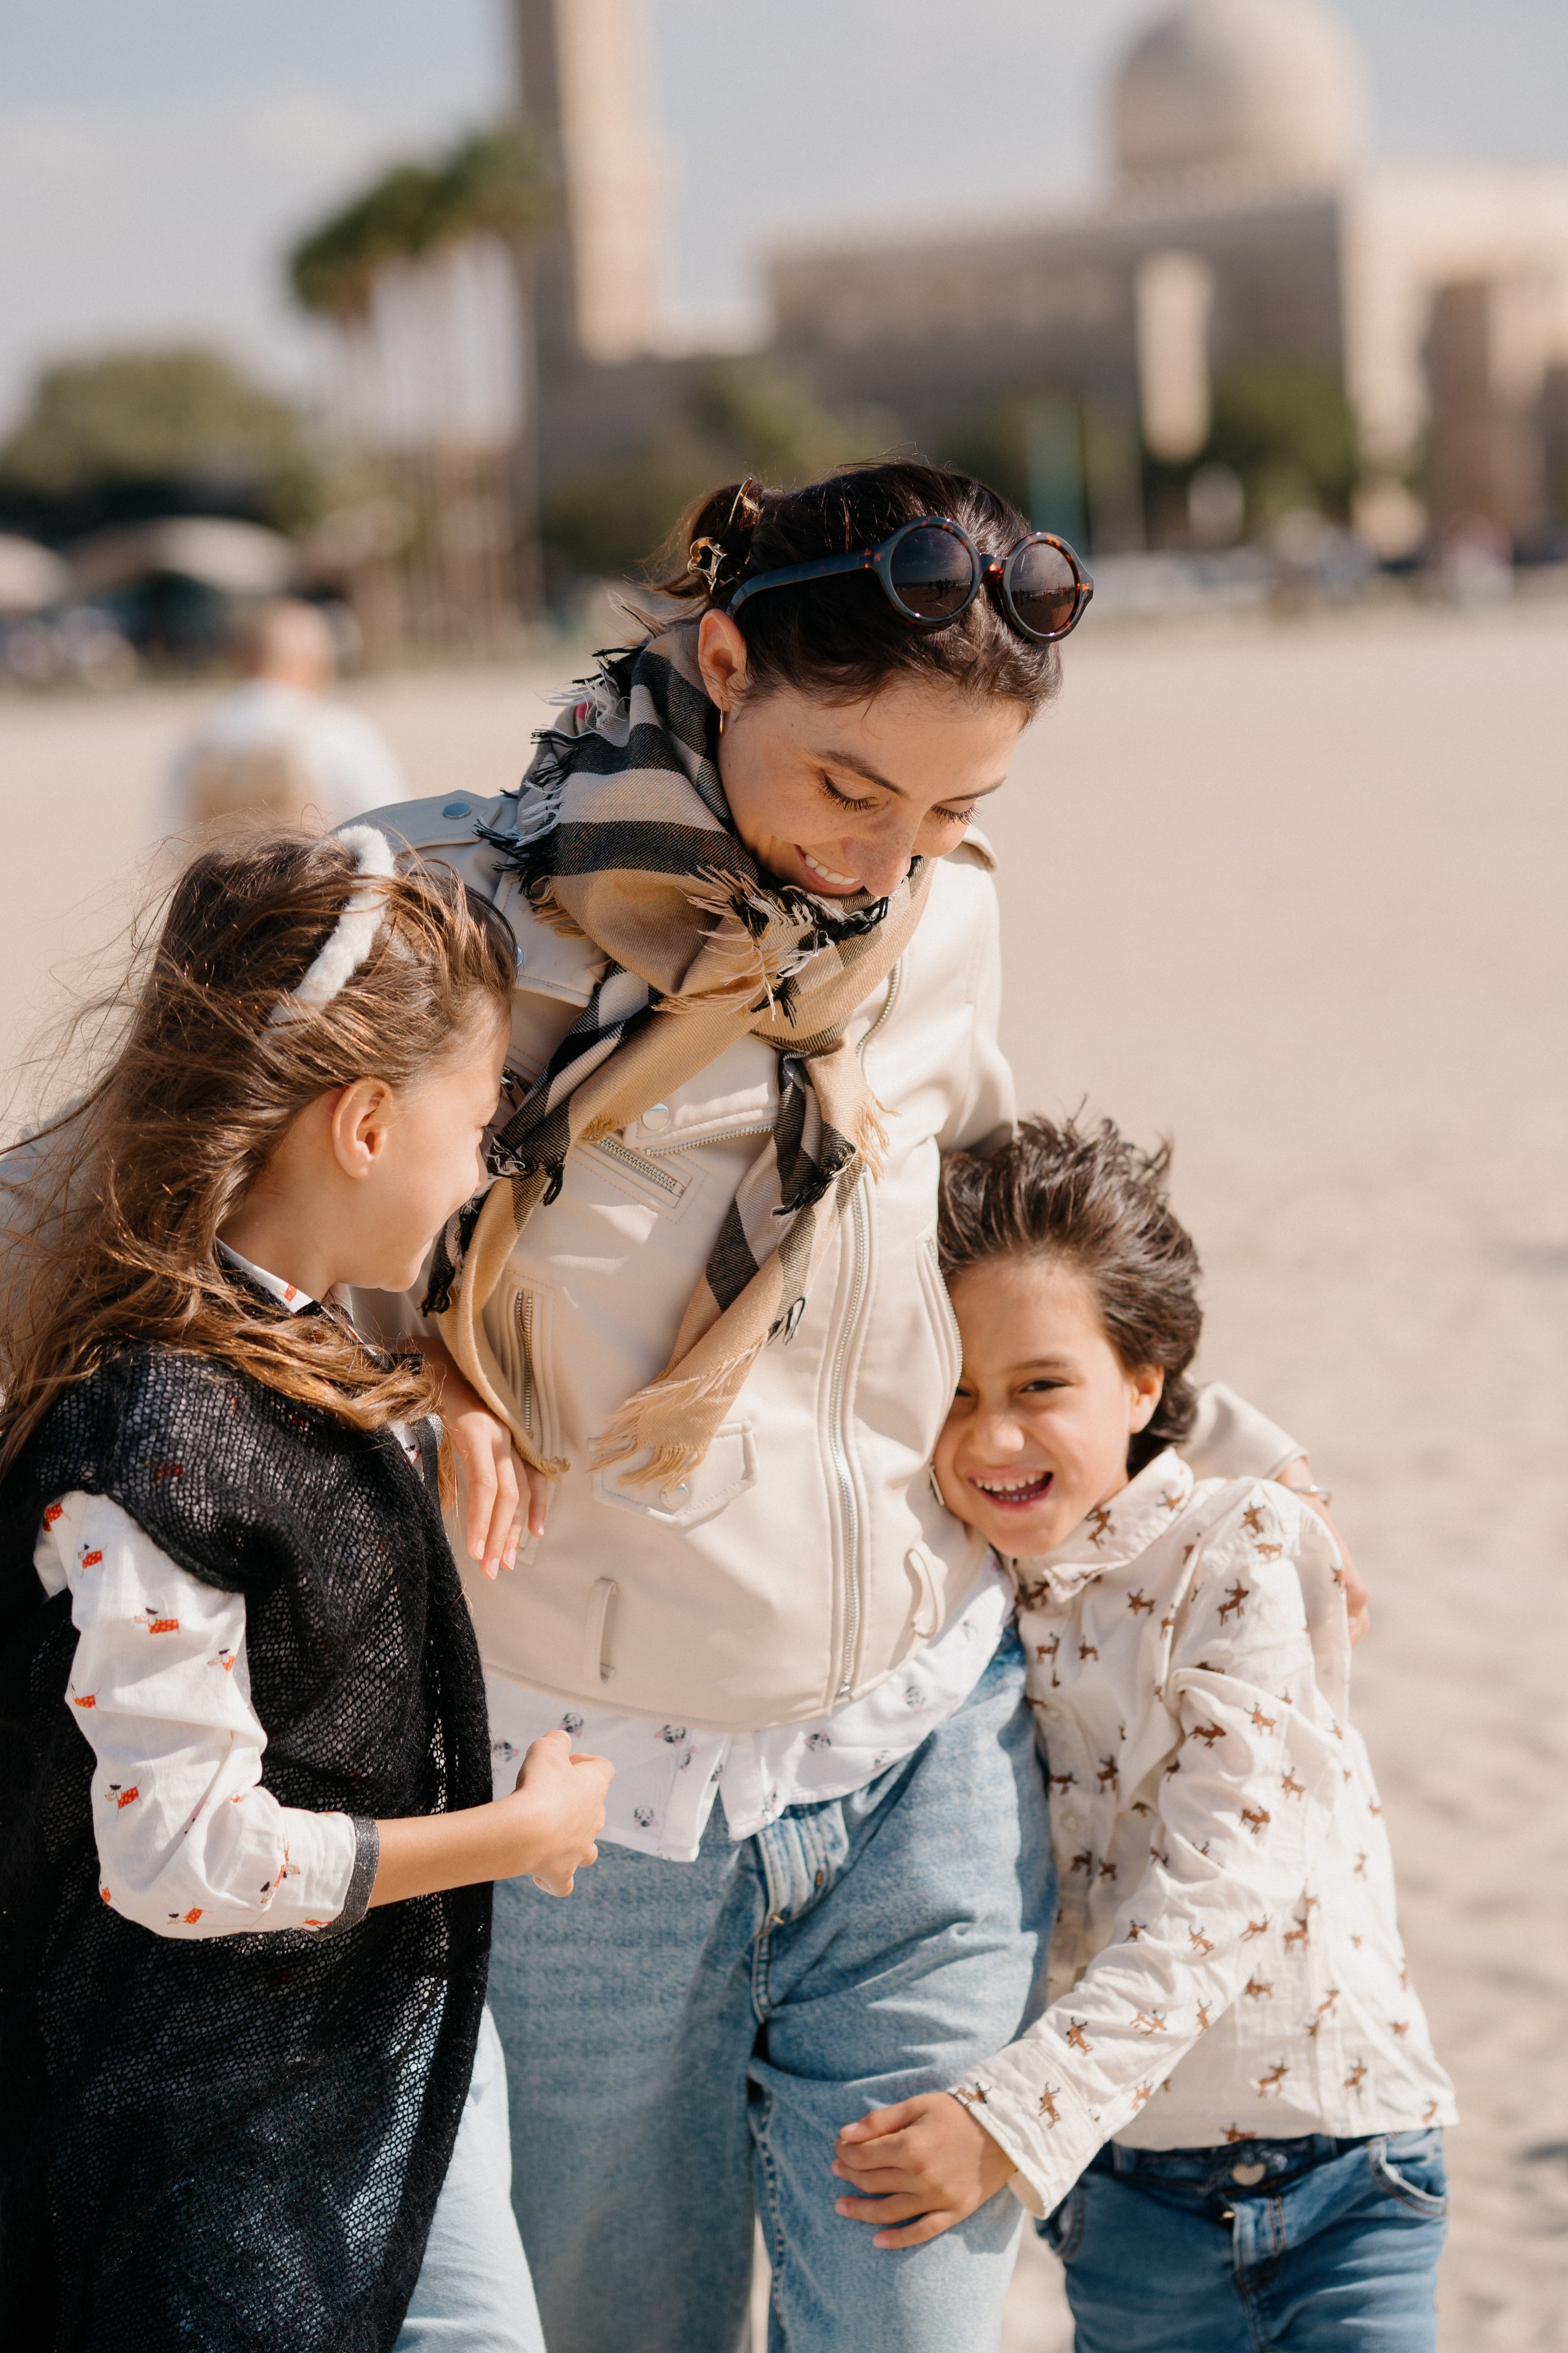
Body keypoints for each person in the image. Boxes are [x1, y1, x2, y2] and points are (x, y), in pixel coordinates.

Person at [349, 459, 1352, 2353]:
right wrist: (417, 1380)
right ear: (727, 661)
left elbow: (996, 1235)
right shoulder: (437, 915)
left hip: (921, 1752)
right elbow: (188, 1253)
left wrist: (1219, 1446)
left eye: (955, 808)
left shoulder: (940, 921)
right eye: (850, 785)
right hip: (584, 1815)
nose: (886, 859)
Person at [0, 829, 612, 2352]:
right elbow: (179, 1854)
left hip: (372, 2041)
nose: (481, 1168)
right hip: (204, 2131)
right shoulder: (154, 1436)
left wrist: (444, 1397)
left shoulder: (296, 1340)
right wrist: (513, 1836)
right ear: (363, 1123)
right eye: (478, 1122)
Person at [831, 1117, 1453, 2352]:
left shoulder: (1240, 1546)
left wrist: (1009, 2120)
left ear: (1145, 1384)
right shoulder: (966, 1580)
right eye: (954, 1395)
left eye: (1039, 1387)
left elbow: (1229, 1884)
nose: (990, 1437)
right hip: (1122, 2200)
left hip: (1344, 2168)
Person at [163, 597, 405, 838]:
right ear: (311, 662)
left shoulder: (195, 739)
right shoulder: (338, 731)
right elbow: (393, 832)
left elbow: (168, 839)